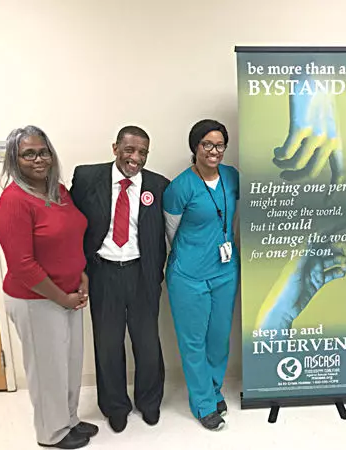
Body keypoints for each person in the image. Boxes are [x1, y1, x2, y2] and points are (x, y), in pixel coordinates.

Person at [0, 126, 98, 449]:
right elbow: (22, 265)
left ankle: (69, 420)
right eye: (28, 154)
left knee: (69, 363)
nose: (38, 159)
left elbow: (70, 237)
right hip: (36, 299)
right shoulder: (14, 201)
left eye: (43, 152)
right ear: (14, 159)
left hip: (69, 294)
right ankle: (51, 433)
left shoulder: (59, 192)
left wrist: (81, 275)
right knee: (47, 369)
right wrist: (61, 297)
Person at [70, 126, 169, 433]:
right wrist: (77, 269)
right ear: (115, 148)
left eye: (142, 153)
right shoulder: (87, 178)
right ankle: (115, 406)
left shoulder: (158, 185)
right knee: (108, 344)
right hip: (103, 273)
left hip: (142, 274)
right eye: (129, 150)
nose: (135, 158)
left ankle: (149, 401)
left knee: (148, 342)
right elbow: (71, 224)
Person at [163, 119, 239, 431]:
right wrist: (194, 255)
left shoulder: (232, 177)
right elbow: (170, 232)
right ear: (195, 147)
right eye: (207, 144)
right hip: (188, 276)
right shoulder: (180, 187)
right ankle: (203, 403)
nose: (214, 151)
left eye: (220, 145)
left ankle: (213, 388)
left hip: (225, 272)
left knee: (219, 339)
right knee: (193, 342)